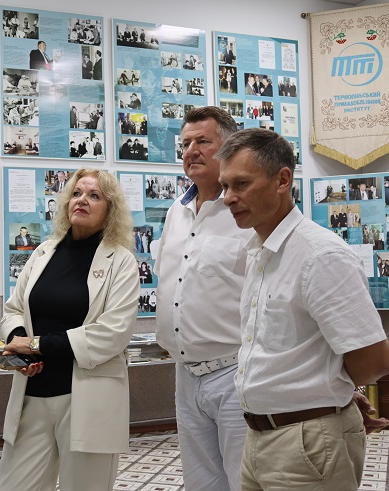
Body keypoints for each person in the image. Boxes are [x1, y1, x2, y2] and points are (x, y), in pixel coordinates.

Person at [216, 128, 389, 490]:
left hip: (307, 441)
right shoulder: (260, 252)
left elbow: (374, 360)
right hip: (259, 436)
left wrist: (330, 393)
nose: (229, 198)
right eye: (225, 186)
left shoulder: (320, 256)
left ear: (282, 180)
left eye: (241, 184)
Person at [0, 168, 139, 491]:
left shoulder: (121, 261)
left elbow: (112, 333)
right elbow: (14, 309)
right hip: (33, 394)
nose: (82, 200)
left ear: (110, 209)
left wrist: (36, 345)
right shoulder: (44, 252)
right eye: (76, 193)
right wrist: (18, 342)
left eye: (94, 195)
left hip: (88, 399)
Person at [155, 106, 251, 491]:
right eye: (185, 144)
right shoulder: (175, 212)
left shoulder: (245, 212)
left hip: (235, 373)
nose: (191, 151)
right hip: (185, 374)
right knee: (202, 482)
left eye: (202, 142)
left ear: (230, 147)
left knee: (244, 480)